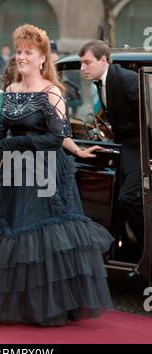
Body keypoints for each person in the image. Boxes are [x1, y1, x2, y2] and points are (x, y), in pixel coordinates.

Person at [0, 24, 113, 326]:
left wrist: (19, 144)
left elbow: (55, 137)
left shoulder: (52, 93)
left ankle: (47, 306)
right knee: (5, 235)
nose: (22, 56)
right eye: (19, 51)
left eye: (29, 52)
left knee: (40, 238)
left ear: (42, 59)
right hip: (12, 173)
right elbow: (0, 131)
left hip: (45, 174)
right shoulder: (11, 92)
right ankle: (11, 303)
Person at [79, 41, 143, 275]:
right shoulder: (101, 82)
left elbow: (150, 113)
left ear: (103, 61)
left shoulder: (126, 79)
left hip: (139, 146)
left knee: (129, 198)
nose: (82, 68)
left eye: (87, 62)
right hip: (124, 146)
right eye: (81, 63)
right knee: (118, 200)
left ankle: (147, 255)